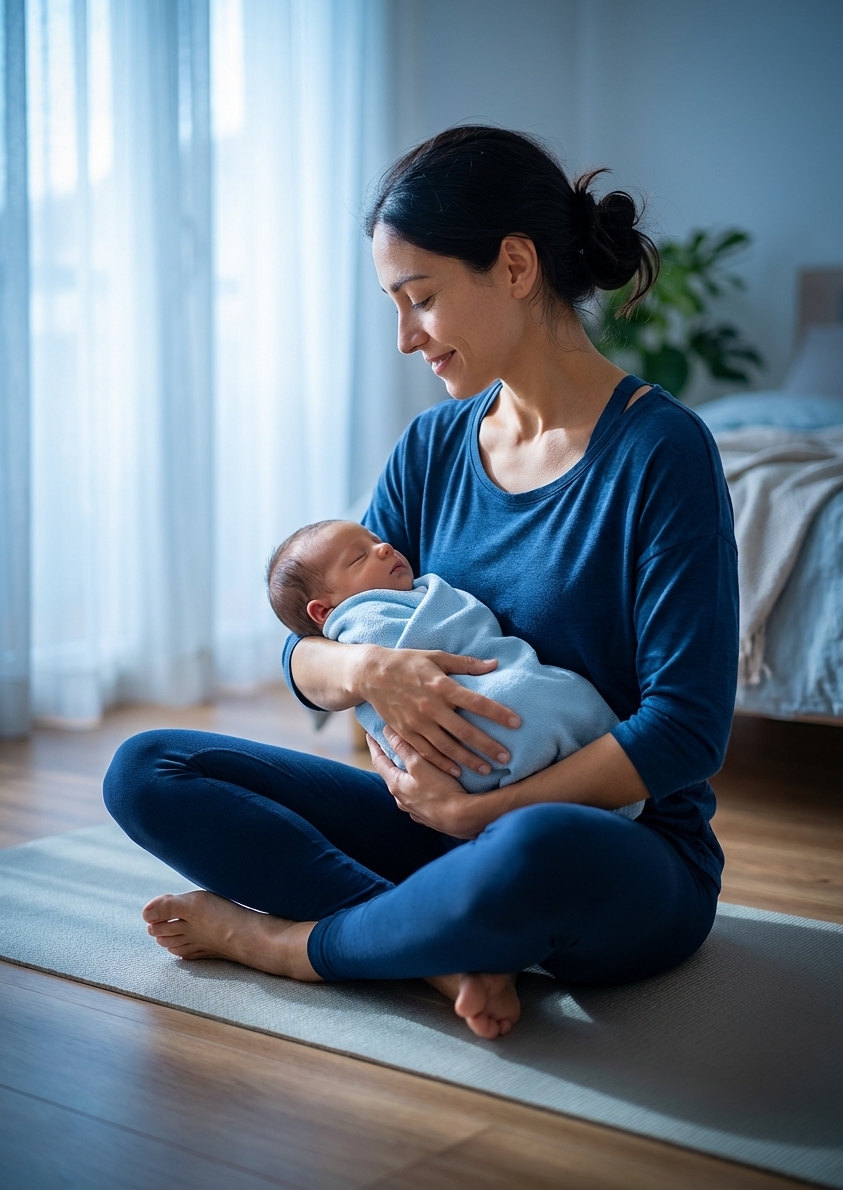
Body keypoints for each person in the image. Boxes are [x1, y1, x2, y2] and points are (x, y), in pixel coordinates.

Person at [103, 125, 738, 1042]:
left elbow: (685, 730)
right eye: (395, 306)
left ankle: (289, 944)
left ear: (514, 266)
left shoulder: (660, 452)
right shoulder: (433, 446)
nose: (406, 339)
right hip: (439, 823)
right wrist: (366, 672)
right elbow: (310, 650)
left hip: (613, 847)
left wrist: (483, 812)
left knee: (533, 848)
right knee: (147, 769)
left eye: (422, 299)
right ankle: (439, 951)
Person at [265, 517, 645, 814]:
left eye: (375, 540)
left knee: (532, 700)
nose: (384, 547)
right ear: (324, 612)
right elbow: (297, 651)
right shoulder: (362, 621)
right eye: (359, 557)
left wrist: (469, 814)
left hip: (569, 790)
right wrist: (364, 667)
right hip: (435, 788)